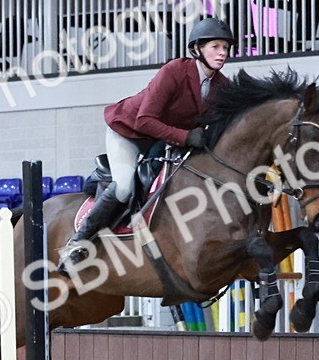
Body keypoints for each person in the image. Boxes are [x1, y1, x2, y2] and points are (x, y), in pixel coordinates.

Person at [57, 16, 236, 269]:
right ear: (197, 49)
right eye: (215, 47)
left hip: (162, 141)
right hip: (129, 133)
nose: (222, 53)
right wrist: (186, 136)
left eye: (226, 48)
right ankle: (77, 243)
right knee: (124, 188)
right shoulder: (175, 70)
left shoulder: (221, 85)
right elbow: (144, 120)